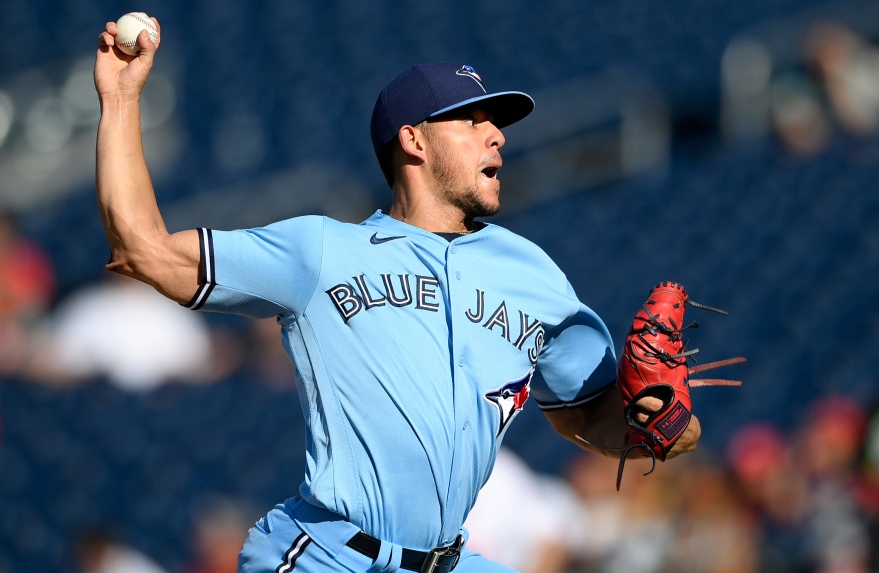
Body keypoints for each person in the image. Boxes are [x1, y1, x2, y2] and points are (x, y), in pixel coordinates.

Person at [94, 17, 700, 573]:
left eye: (497, 125)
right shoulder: (321, 252)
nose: (498, 138)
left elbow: (589, 416)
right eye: (473, 120)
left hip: (451, 560)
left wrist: (662, 425)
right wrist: (121, 98)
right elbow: (142, 249)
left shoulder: (533, 274)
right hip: (331, 556)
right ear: (414, 141)